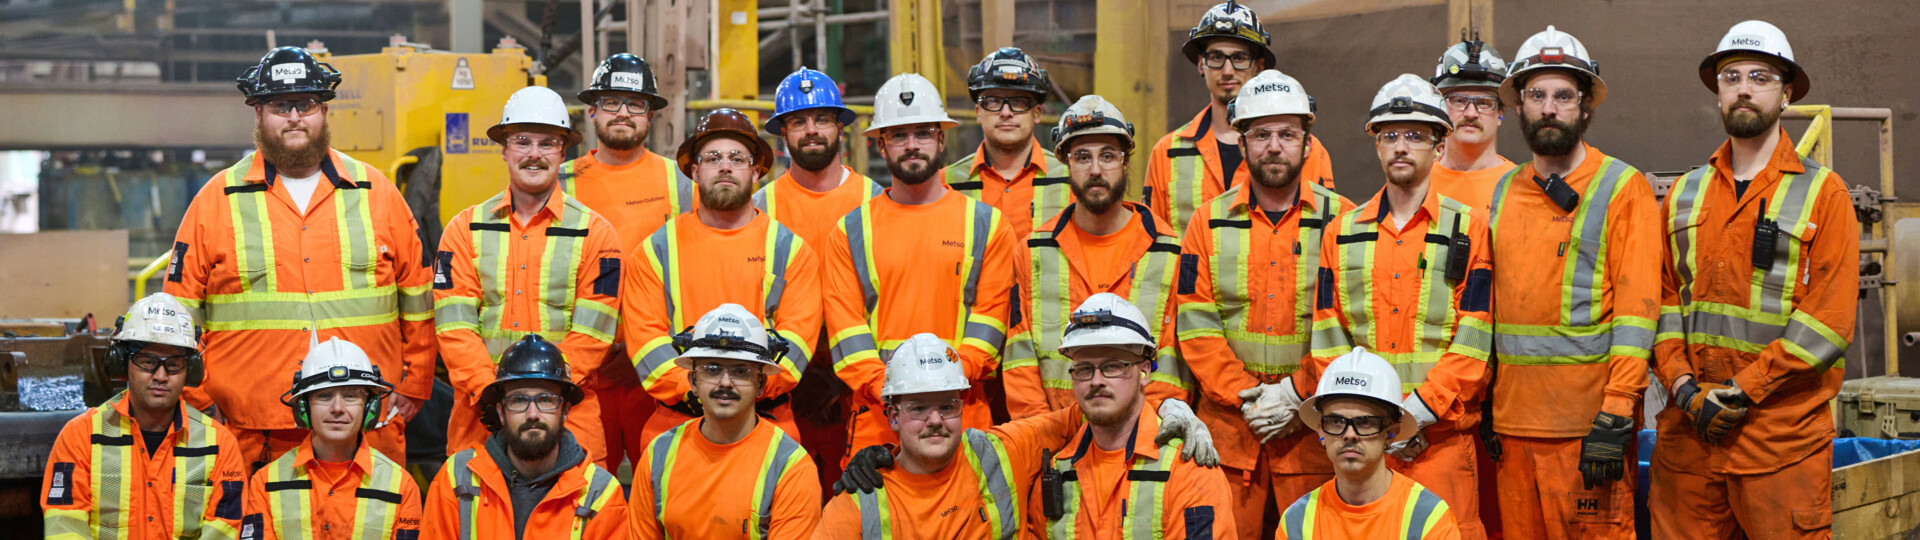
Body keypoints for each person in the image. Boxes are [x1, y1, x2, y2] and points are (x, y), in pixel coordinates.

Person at [168, 46, 433, 466]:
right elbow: (179, 314)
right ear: (258, 114)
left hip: (364, 418)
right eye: (279, 105)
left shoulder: (376, 192)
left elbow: (418, 294)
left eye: (305, 104)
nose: (294, 116)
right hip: (252, 426)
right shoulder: (215, 200)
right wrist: (197, 397)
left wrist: (416, 381)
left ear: (324, 112)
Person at [1649, 20, 1857, 539]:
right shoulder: (1685, 193)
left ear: (1786, 94)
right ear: (1717, 91)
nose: (1743, 87)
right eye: (1731, 76)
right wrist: (1682, 387)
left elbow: (1827, 323)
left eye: (1760, 77)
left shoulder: (1824, 194)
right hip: (1689, 437)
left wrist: (1741, 391)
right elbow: (1663, 300)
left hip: (1778, 441)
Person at [822, 304, 1220, 538]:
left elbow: (1100, 406)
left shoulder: (998, 454)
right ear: (891, 414)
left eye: (946, 405)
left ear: (963, 404)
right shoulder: (855, 506)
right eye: (916, 408)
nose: (934, 421)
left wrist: (1168, 405)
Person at [1295, 74, 1495, 539]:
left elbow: (1475, 337)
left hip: (1440, 443)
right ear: (1376, 144)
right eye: (1390, 135)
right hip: (1365, 443)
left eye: (1415, 135)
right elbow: (1328, 337)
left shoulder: (1471, 229)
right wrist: (1384, 426)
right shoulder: (1341, 233)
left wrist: (1417, 414)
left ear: (1439, 147)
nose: (1401, 146)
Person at [1483, 26, 1660, 540]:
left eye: (1564, 96)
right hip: (1514, 433)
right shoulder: (1504, 191)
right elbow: (1492, 313)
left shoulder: (1622, 188)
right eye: (1536, 95)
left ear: (1586, 107)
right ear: (1517, 106)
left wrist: (1616, 411)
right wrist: (1492, 403)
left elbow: (1637, 312)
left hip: (1589, 435)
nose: (1549, 108)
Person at [1174, 68, 1354, 539]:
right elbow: (1196, 326)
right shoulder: (1206, 223)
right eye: (1261, 134)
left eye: (1287, 134)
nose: (1274, 145)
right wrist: (1250, 399)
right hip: (1232, 438)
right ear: (1243, 142)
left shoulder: (1347, 222)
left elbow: (1351, 328)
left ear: (1307, 144)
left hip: (1315, 435)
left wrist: (1295, 397)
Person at [821, 73, 1018, 462]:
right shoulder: (850, 231)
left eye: (923, 132)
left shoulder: (987, 226)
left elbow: (990, 327)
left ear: (941, 139)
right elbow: (847, 334)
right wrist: (895, 394)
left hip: (962, 417)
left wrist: (937, 394)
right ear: (881, 145)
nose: (912, 144)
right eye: (898, 134)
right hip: (880, 421)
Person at [435, 86, 622, 464]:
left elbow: (592, 336)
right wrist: (493, 395)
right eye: (522, 142)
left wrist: (540, 401)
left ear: (562, 153)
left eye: (547, 143)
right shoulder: (463, 229)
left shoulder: (597, 235)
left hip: (569, 417)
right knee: (474, 519)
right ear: (504, 150)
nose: (534, 154)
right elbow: (454, 329)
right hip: (481, 417)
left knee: (577, 520)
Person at [621, 108, 821, 446]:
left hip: (768, 425)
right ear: (695, 171)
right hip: (677, 426)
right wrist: (702, 391)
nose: (725, 166)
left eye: (737, 158)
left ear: (756, 171)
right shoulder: (655, 250)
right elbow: (645, 343)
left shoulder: (792, 251)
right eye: (713, 157)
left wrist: (741, 392)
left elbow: (797, 343)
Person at [1003, 95, 1187, 419]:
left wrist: (1145, 434)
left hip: (1144, 444)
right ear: (1067, 163)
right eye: (1083, 157)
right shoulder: (1032, 253)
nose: (1097, 169)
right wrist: (1044, 438)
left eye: (1108, 156)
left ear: (1126, 162)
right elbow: (1020, 363)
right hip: (1057, 445)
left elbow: (1174, 364)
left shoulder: (1169, 252)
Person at [562, 52, 696, 471]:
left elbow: (695, 274)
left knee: (662, 489)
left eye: (635, 103)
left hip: (659, 372)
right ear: (591, 111)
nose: (623, 113)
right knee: (580, 493)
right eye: (611, 102)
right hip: (580, 372)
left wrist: (643, 352)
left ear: (651, 115)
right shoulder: (559, 182)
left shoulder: (681, 183)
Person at [42, 293, 249, 540]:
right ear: (122, 363)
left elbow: (225, 529)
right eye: (147, 362)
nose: (161, 376)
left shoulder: (218, 444)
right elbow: (65, 526)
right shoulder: (81, 436)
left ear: (191, 370)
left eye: (173, 364)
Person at [1028, 294, 1236, 538]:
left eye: (1112, 367)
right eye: (1084, 369)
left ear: (1145, 372)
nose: (1096, 381)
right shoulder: (1056, 472)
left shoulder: (1189, 471)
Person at [628, 305, 822, 539]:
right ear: (693, 381)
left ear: (761, 384)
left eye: (741, 372)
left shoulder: (791, 467)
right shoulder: (657, 456)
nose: (725, 383)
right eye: (712, 369)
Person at [1146, 0, 1335, 237]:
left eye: (1239, 57)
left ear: (1259, 66)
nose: (1227, 70)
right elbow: (1154, 244)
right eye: (1216, 57)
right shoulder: (1167, 153)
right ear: (1200, 64)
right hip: (1191, 275)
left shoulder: (1308, 150)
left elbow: (1325, 236)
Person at [423, 335, 627, 539]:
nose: (532, 414)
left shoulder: (600, 492)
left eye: (546, 400)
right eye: (518, 400)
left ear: (565, 410)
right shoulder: (457, 477)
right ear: (501, 411)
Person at [242, 336, 422, 539]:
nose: (337, 408)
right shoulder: (265, 482)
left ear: (370, 407)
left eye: (350, 396)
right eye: (324, 396)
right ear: (303, 408)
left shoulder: (401, 486)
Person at [1279, 347, 1463, 540]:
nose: (1349, 434)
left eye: (1365, 422)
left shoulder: (1429, 518)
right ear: (1321, 430)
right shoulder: (1295, 522)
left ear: (1391, 433)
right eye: (1336, 421)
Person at [942, 47, 1071, 239]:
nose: (1006, 112)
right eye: (993, 101)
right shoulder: (945, 183)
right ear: (978, 112)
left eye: (1018, 101)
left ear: (1037, 113)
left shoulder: (1072, 179)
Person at [754, 67, 884, 248]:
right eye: (798, 122)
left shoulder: (875, 200)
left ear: (839, 130)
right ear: (784, 135)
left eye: (822, 119)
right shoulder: (760, 207)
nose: (811, 130)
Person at [1427, 31, 1517, 214]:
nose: (1470, 113)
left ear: (1501, 112)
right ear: (1441, 107)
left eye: (1483, 103)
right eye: (1459, 101)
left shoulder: (1520, 186)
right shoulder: (1417, 183)